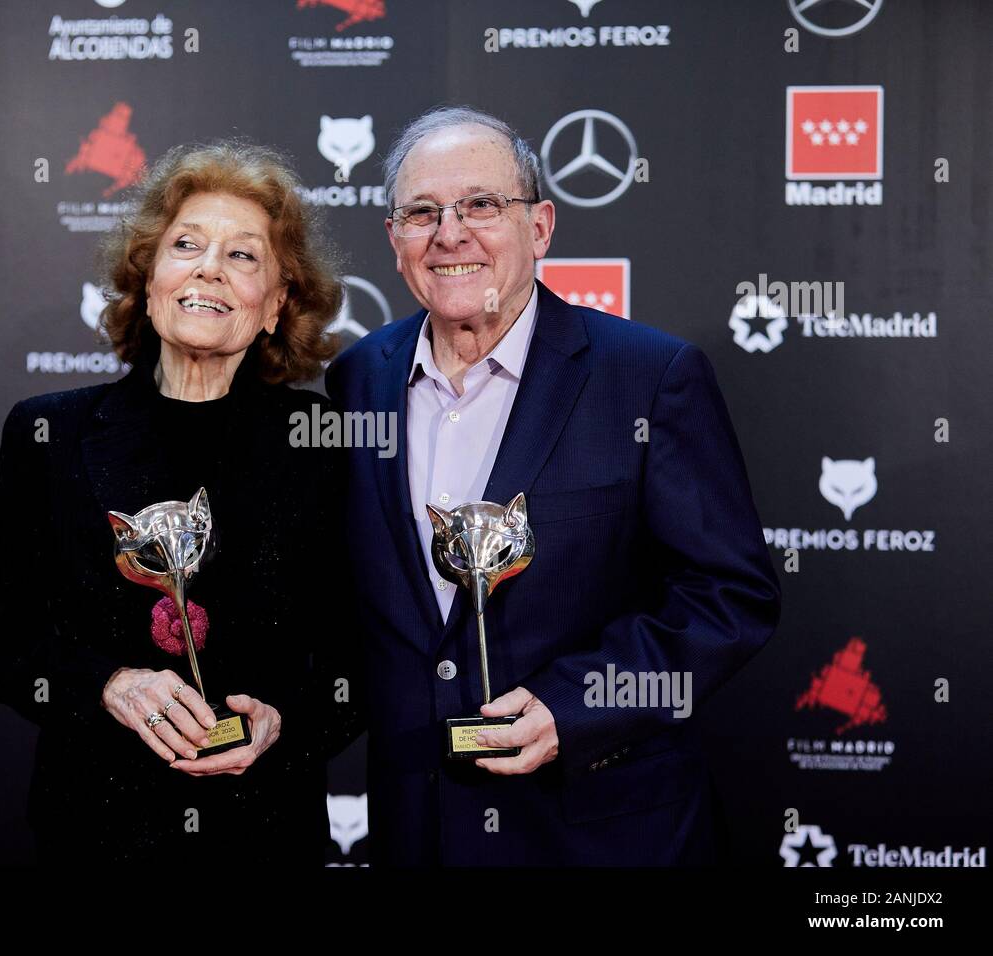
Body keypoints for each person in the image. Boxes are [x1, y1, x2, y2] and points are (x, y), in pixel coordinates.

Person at [326, 106, 781, 865]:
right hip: (420, 829)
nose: (450, 232)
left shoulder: (649, 377)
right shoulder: (356, 379)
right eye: (422, 213)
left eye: (480, 205)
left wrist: (577, 706)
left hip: (595, 832)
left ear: (539, 227)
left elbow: (728, 597)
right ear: (394, 240)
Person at [0, 140, 360, 866]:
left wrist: (284, 718)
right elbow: (0, 640)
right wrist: (109, 684)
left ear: (276, 305)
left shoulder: (326, 444)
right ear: (147, 284)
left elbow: (356, 656)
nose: (211, 267)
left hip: (263, 834)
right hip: (96, 832)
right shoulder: (48, 434)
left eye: (244, 255)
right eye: (187, 245)